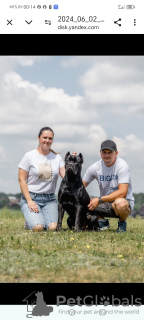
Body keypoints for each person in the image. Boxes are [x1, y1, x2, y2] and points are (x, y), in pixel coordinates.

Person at [18, 127, 65, 232]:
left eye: (50, 138)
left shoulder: (57, 158)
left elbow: (66, 177)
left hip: (50, 200)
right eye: (44, 137)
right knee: (38, 227)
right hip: (32, 198)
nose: (47, 141)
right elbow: (22, 180)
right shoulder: (29, 156)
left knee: (52, 228)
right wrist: (29, 201)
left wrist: (72, 159)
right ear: (38, 138)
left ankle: (38, 217)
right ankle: (31, 221)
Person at [82, 139, 135, 233]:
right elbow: (80, 187)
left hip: (122, 204)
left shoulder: (122, 166)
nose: (107, 155)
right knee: (83, 199)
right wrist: (74, 162)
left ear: (116, 153)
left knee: (120, 203)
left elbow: (123, 193)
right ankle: (102, 221)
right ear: (100, 153)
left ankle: (122, 224)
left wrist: (99, 200)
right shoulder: (95, 167)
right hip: (104, 203)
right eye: (104, 152)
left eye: (110, 152)